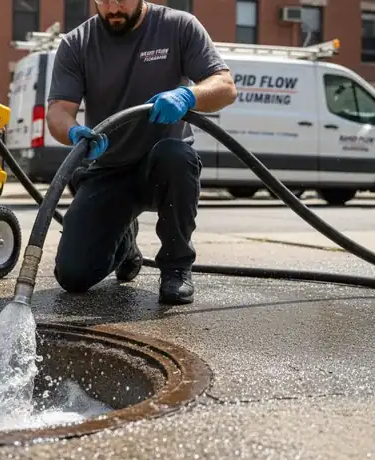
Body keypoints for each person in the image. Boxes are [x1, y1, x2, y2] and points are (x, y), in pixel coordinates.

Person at [46, 0, 237, 305]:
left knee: (177, 157)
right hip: (108, 169)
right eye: (104, 0)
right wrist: (72, 131)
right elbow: (58, 111)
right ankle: (125, 243)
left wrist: (188, 95)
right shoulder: (76, 44)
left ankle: (176, 268)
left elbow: (225, 86)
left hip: (161, 166)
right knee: (73, 275)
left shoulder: (178, 26)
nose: (114, 8)